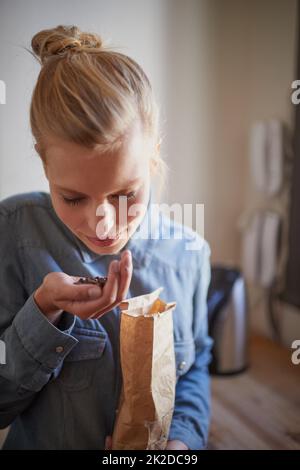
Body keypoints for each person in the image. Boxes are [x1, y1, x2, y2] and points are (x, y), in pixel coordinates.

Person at [0, 25, 213, 450]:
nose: (103, 225)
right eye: (73, 197)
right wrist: (42, 312)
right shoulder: (13, 232)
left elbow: (194, 369)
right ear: (44, 165)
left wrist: (182, 445)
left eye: (124, 194)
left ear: (153, 155)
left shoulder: (190, 254)